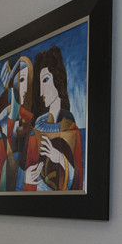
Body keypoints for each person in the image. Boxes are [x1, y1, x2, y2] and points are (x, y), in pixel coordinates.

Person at [23, 46, 83, 191]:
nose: (42, 90)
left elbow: (80, 180)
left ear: (58, 79)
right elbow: (28, 172)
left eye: (45, 80)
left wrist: (60, 159)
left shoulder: (71, 128)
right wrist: (27, 178)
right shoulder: (35, 131)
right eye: (40, 83)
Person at [0, 55, 34, 191]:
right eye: (21, 79)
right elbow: (2, 154)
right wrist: (23, 176)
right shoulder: (8, 101)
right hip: (6, 170)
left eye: (26, 79)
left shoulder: (23, 111)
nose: (25, 85)